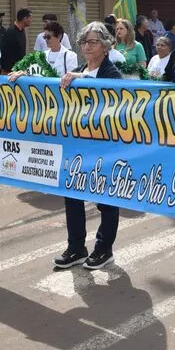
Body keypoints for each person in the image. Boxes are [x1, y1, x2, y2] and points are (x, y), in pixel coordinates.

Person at [55, 22, 122, 270]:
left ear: (105, 46)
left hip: (103, 147)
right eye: (84, 42)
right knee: (72, 196)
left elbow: (109, 95)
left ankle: (104, 249)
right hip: (77, 146)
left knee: (105, 200)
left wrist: (79, 78)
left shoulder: (111, 74)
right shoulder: (75, 72)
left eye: (93, 41)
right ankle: (76, 247)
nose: (87, 46)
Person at [0, 8, 32, 73]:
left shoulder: (22, 31)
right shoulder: (10, 32)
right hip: (9, 71)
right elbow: (3, 51)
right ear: (25, 18)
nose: (31, 20)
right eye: (30, 18)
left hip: (19, 70)